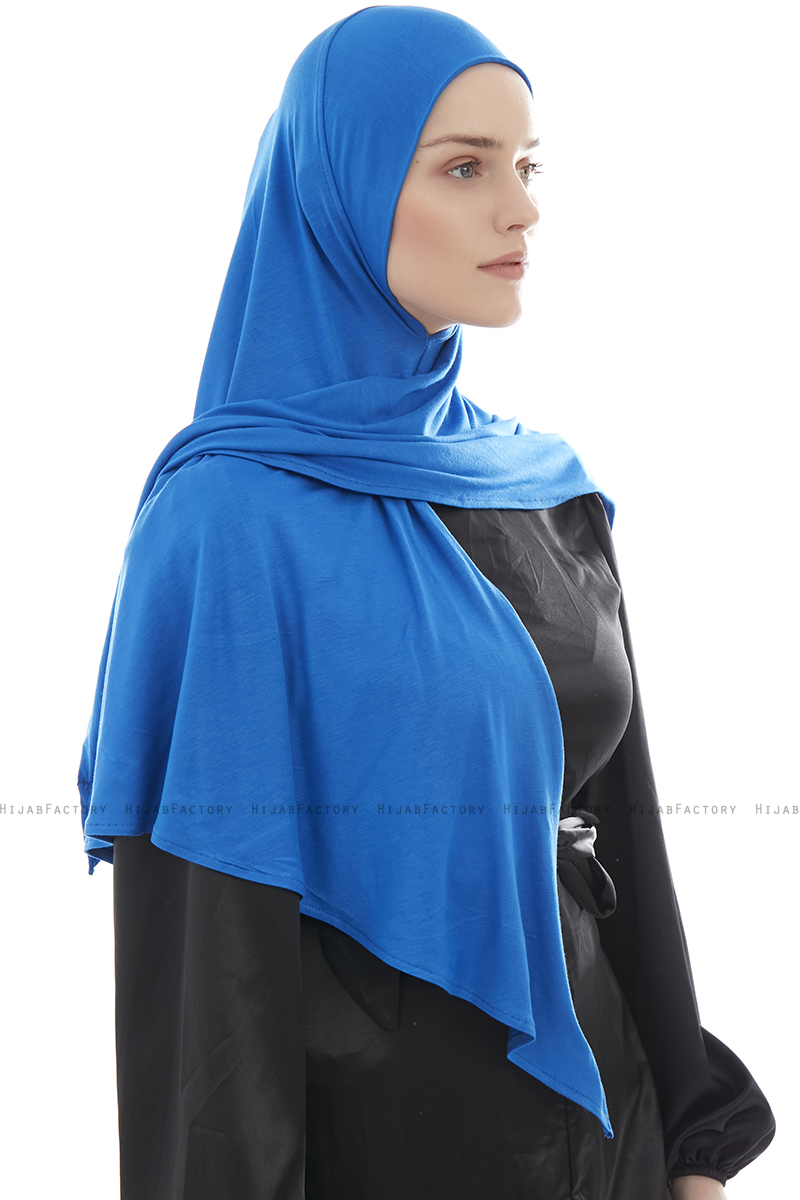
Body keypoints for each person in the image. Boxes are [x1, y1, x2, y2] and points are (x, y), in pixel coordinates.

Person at [77, 7, 774, 1199]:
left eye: (525, 166)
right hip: (394, 1159)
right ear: (338, 194)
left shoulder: (542, 488)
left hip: (611, 1134)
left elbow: (622, 839)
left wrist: (694, 1149)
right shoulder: (225, 526)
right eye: (463, 168)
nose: (520, 209)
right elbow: (209, 987)